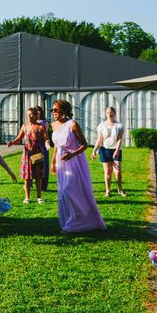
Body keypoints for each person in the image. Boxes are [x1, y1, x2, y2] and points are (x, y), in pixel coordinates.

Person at [50, 99, 106, 234]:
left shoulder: (73, 124)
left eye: (56, 110)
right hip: (61, 162)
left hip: (74, 161)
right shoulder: (53, 125)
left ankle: (78, 221)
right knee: (63, 193)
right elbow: (57, 146)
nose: (54, 113)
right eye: (52, 110)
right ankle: (71, 219)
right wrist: (53, 163)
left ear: (64, 110)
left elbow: (84, 145)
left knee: (70, 191)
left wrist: (72, 155)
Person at [7, 107, 47, 204]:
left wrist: (48, 144)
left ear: (36, 115)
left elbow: (46, 139)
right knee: (27, 177)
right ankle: (27, 197)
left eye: (31, 114)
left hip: (37, 153)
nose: (28, 116)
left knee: (38, 176)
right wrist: (12, 143)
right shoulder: (24, 126)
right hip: (27, 154)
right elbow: (19, 138)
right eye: (27, 114)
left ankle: (39, 197)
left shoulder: (41, 127)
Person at [92, 106, 126, 197]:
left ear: (115, 113)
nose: (109, 114)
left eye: (111, 112)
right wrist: (94, 150)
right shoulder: (101, 126)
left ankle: (120, 189)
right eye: (107, 112)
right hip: (104, 149)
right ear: (105, 114)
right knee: (107, 172)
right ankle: (108, 190)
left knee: (117, 171)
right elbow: (99, 139)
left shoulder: (119, 126)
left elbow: (119, 139)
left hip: (116, 150)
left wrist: (116, 151)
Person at [35, 105, 51, 192]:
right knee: (33, 165)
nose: (37, 113)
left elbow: (45, 134)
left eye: (38, 111)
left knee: (43, 165)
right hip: (34, 145)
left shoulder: (44, 122)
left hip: (42, 144)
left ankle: (43, 185)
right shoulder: (32, 122)